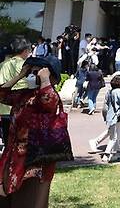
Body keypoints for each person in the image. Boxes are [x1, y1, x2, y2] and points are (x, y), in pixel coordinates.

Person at [0, 55, 69, 208]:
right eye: (32, 72)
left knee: (29, 200)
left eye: (38, 72)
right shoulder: (23, 95)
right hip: (13, 156)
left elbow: (49, 100)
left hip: (35, 160)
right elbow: (2, 94)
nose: (34, 75)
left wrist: (45, 80)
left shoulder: (50, 96)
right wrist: (20, 75)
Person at [0, 39, 31, 143]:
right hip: (23, 109)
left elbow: (2, 86)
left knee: (8, 142)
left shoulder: (4, 64)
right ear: (25, 51)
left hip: (6, 110)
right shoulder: (29, 66)